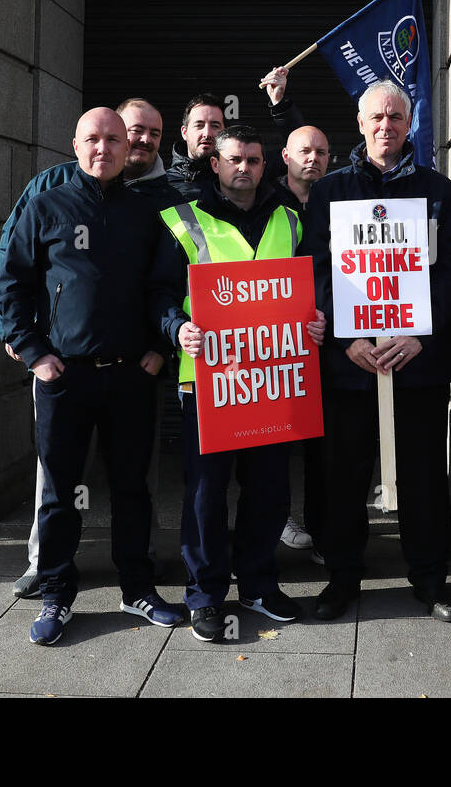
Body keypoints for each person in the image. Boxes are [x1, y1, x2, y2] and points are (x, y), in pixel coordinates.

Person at [0, 108, 184, 646]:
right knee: (59, 492)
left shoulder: (151, 211)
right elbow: (12, 282)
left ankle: (138, 588)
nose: (103, 149)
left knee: (132, 489)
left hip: (130, 377)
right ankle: (56, 593)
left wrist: (157, 349)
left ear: (130, 149)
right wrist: (34, 353)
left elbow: (165, 288)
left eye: (114, 140)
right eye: (93, 140)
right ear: (75, 145)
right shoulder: (45, 204)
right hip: (64, 378)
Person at [303, 80, 451, 623]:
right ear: (359, 123)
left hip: (415, 361)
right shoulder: (330, 191)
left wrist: (421, 333)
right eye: (376, 117)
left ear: (409, 124)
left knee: (423, 477)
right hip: (350, 366)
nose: (386, 126)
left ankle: (429, 580)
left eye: (396, 117)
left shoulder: (438, 191)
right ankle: (342, 579)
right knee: (344, 477)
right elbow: (317, 268)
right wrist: (348, 338)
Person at [160, 124, 327, 642]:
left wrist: (316, 318)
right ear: (215, 163)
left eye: (253, 161)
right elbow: (157, 293)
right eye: (234, 159)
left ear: (264, 164)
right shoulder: (181, 220)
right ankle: (205, 595)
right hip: (209, 381)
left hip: (274, 379)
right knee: (206, 495)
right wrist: (176, 326)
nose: (244, 169)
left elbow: (311, 284)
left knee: (269, 490)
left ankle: (257, 584)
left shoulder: (291, 219)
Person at [271, 124, 332, 558]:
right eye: (304, 151)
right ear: (285, 156)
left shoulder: (337, 197)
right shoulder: (268, 200)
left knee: (320, 443)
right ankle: (276, 521)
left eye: (322, 151)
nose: (313, 158)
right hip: (273, 341)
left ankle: (320, 529)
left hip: (324, 338)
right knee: (273, 438)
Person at [165, 67, 304, 200]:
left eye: (215, 125)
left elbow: (301, 148)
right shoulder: (164, 184)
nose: (207, 133)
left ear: (224, 132)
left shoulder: (247, 169)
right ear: (184, 132)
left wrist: (278, 101)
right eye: (199, 125)